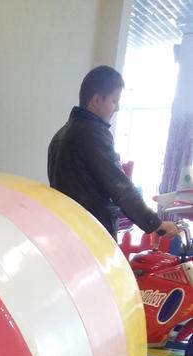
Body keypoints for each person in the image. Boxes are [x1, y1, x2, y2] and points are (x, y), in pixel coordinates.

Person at [48, 66, 179, 241]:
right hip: (91, 234)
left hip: (66, 232)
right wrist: (155, 224)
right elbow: (120, 187)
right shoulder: (93, 133)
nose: (116, 108)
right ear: (96, 100)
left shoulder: (60, 135)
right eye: (114, 101)